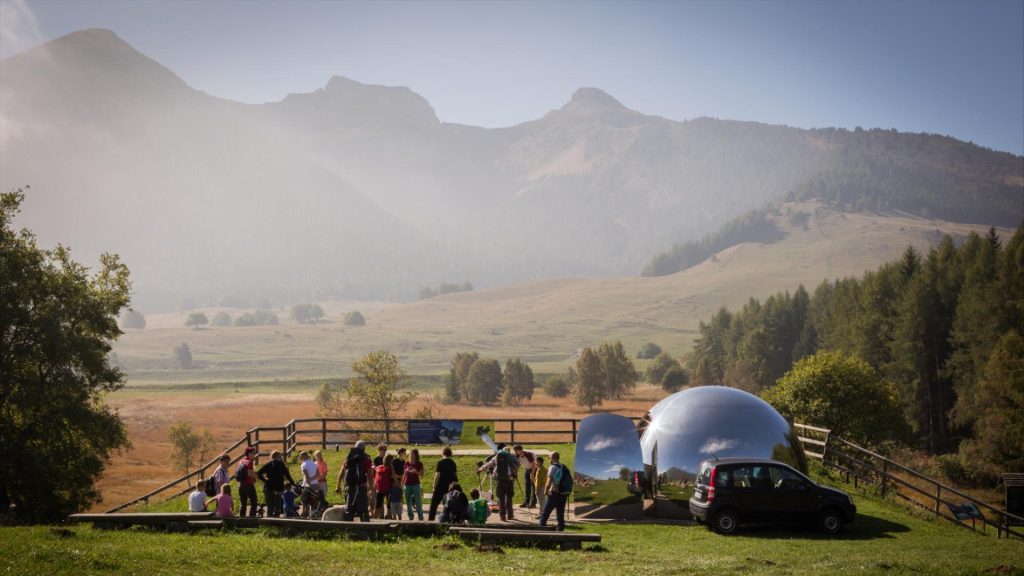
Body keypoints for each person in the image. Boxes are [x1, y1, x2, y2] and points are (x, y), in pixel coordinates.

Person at [478, 443, 517, 521]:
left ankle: (502, 516)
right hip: (510, 480)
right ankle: (510, 515)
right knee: (509, 498)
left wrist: (480, 470)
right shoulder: (511, 456)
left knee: (501, 499)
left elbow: (488, 465)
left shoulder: (497, 456)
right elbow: (517, 464)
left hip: (500, 480)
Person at [337, 440, 373, 521]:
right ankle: (366, 531)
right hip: (361, 488)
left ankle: (348, 531)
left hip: (349, 488)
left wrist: (338, 486)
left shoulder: (348, 457)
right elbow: (370, 476)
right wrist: (371, 490)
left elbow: (341, 473)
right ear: (364, 448)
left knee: (349, 511)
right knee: (363, 511)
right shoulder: (366, 458)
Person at [256, 450, 295, 518]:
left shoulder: (269, 464)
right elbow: (287, 475)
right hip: (279, 487)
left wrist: (265, 480)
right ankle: (277, 521)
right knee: (278, 506)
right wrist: (293, 483)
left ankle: (269, 522)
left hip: (269, 487)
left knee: (270, 506)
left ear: (271, 457)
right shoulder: (281, 464)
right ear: (278, 457)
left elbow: (259, 473)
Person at [539, 451, 572, 531]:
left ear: (553, 458)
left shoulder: (553, 467)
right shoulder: (564, 466)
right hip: (563, 493)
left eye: (549, 457)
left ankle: (539, 531)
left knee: (545, 513)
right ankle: (560, 532)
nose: (549, 459)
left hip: (554, 494)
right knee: (560, 515)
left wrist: (546, 491)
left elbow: (549, 481)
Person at [429, 446, 458, 521]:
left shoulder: (440, 462)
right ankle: (448, 520)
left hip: (440, 487)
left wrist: (434, 486)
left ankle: (430, 520)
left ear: (442, 453)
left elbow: (437, 476)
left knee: (434, 505)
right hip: (449, 488)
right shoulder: (453, 463)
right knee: (447, 505)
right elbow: (455, 476)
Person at [403, 448, 425, 521]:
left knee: (418, 501)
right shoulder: (407, 463)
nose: (411, 456)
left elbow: (422, 474)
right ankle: (410, 516)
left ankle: (420, 516)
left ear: (416, 455)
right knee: (408, 501)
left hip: (416, 484)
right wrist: (402, 484)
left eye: (413, 454)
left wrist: (416, 472)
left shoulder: (419, 463)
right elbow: (404, 474)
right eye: (410, 454)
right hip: (407, 484)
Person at [236, 446, 258, 518]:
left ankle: (241, 520)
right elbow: (249, 474)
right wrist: (257, 478)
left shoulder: (241, 461)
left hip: (241, 485)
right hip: (248, 485)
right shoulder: (249, 462)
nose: (255, 454)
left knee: (243, 503)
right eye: (253, 453)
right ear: (249, 453)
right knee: (254, 502)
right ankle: (252, 520)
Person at [298, 451, 321, 517]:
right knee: (313, 502)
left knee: (304, 501)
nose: (300, 458)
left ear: (304, 457)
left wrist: (309, 481)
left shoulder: (304, 465)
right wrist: (312, 479)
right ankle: (313, 515)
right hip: (315, 484)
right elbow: (318, 475)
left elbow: (307, 476)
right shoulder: (314, 464)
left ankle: (305, 515)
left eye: (300, 456)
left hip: (307, 486)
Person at [373, 454, 394, 519]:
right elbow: (392, 477)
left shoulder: (378, 467)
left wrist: (373, 488)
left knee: (377, 506)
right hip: (388, 489)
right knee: (389, 505)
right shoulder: (390, 468)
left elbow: (375, 478)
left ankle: (374, 518)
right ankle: (388, 516)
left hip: (379, 489)